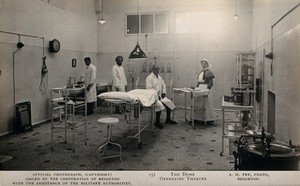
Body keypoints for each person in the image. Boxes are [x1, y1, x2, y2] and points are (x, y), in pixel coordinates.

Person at [146, 64, 177, 129]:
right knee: (159, 105)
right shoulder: (149, 78)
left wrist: (164, 92)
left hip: (160, 97)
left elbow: (164, 85)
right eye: (156, 69)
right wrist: (156, 96)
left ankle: (168, 119)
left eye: (158, 69)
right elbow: (149, 89)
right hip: (153, 98)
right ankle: (157, 122)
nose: (157, 70)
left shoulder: (159, 77)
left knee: (169, 103)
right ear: (152, 69)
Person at [193, 59, 215, 124]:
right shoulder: (201, 72)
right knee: (198, 103)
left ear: (207, 64)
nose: (203, 65)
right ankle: (197, 118)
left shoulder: (209, 72)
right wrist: (196, 87)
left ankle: (208, 119)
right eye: (202, 64)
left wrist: (208, 88)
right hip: (199, 88)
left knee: (206, 104)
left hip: (206, 88)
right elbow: (199, 81)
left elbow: (211, 82)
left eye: (204, 64)